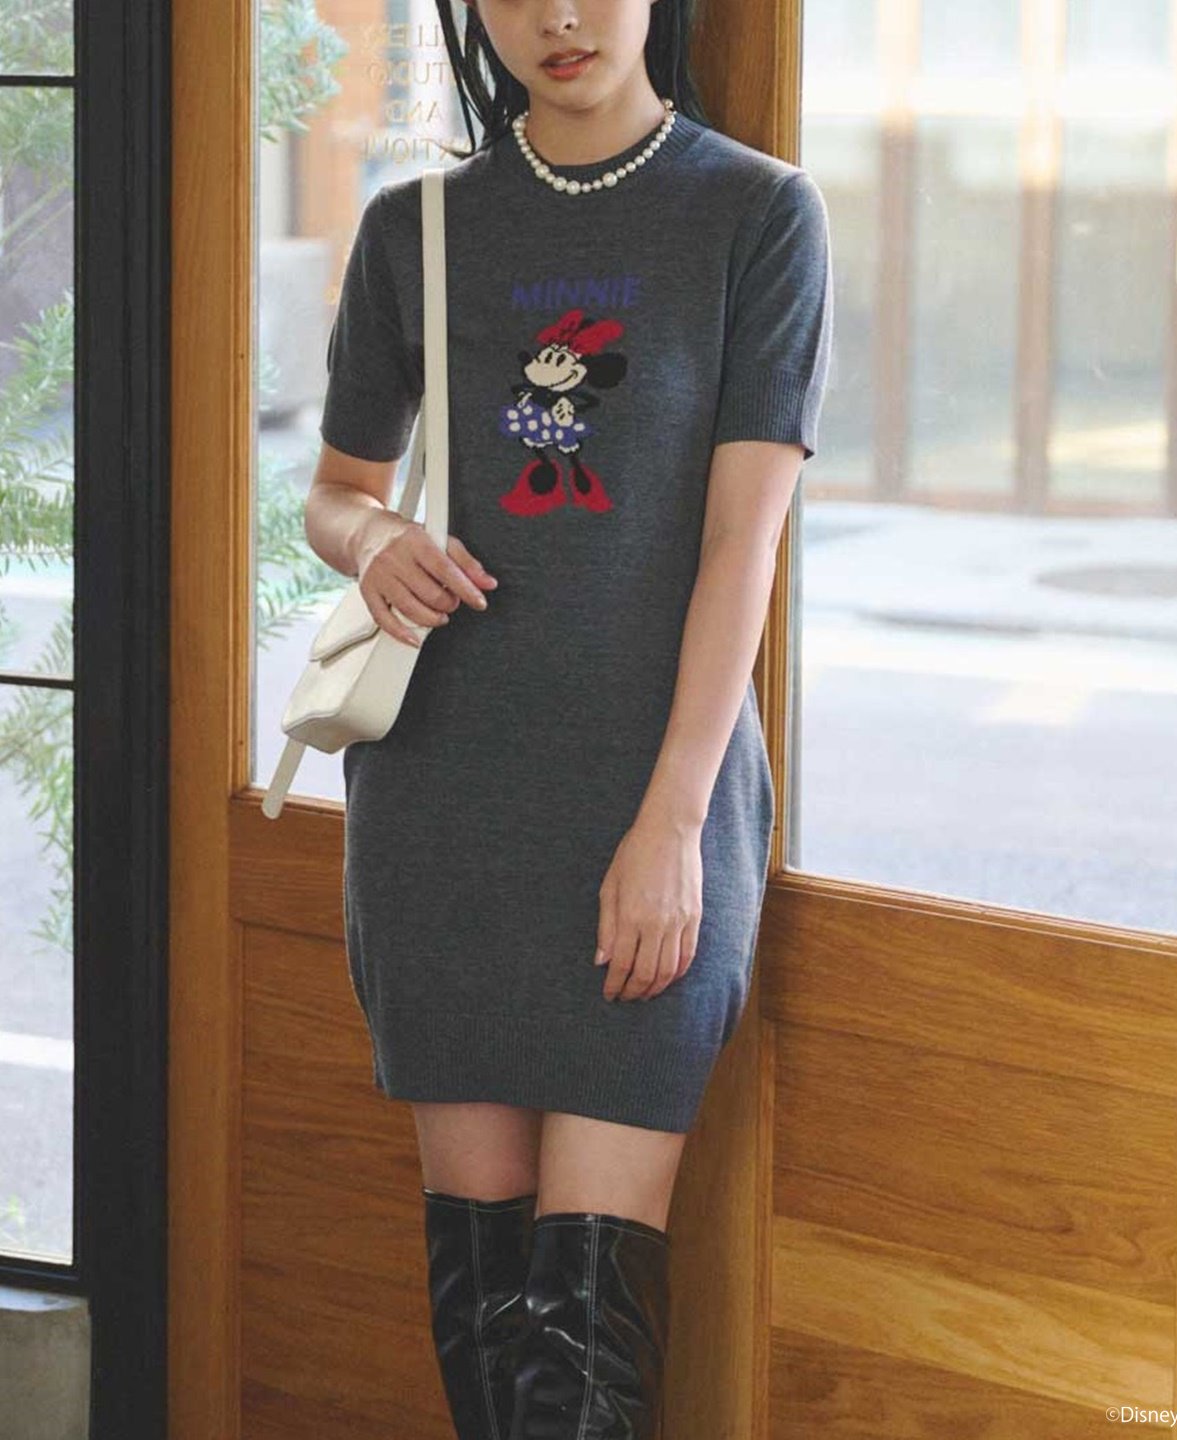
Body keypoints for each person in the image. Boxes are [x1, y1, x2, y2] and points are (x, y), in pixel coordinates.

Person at [302, 0, 834, 1434]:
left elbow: (743, 548)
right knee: (484, 1304)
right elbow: (337, 491)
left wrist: (672, 827)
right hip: (445, 802)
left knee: (589, 1320)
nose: (556, 16)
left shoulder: (758, 215)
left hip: (649, 796)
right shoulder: (415, 227)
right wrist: (374, 541)